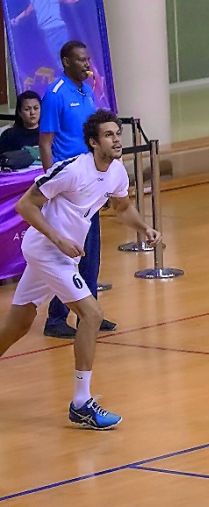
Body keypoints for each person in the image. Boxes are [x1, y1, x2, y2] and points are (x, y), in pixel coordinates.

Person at [0, 109, 161, 429]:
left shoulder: (116, 172)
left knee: (19, 324)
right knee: (91, 314)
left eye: (118, 134)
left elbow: (123, 207)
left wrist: (144, 228)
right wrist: (58, 238)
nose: (116, 140)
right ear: (92, 142)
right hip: (47, 249)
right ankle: (81, 402)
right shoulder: (72, 170)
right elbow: (25, 206)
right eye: (109, 135)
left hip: (61, 255)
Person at [39, 41, 114, 338]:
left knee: (91, 254)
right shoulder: (55, 95)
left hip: (89, 182)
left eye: (88, 59)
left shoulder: (86, 91)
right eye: (81, 60)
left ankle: (88, 315)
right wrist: (51, 186)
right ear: (65, 62)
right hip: (67, 185)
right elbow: (46, 143)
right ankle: (55, 319)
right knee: (69, 256)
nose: (87, 64)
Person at [9, 0, 88, 60]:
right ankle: (66, 71)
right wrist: (17, 18)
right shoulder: (35, 0)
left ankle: (75, 68)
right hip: (47, 31)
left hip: (60, 29)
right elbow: (26, 12)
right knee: (56, 55)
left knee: (65, 52)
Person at [0, 90, 42, 161]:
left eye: (36, 108)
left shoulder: (49, 133)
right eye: (27, 109)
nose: (32, 112)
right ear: (19, 112)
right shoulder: (9, 136)